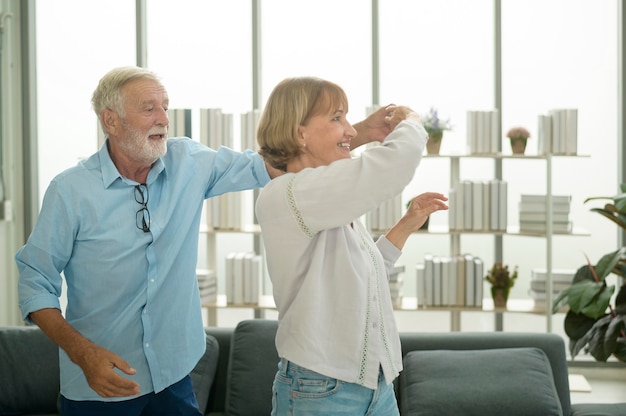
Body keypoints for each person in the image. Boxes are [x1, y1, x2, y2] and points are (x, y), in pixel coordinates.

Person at [15, 67, 413, 415]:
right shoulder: (70, 191)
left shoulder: (189, 162)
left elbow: (273, 161)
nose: (163, 119)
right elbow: (35, 282)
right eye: (148, 108)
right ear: (111, 120)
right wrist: (83, 354)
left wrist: (356, 134)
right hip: (99, 383)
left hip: (173, 376)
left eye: (165, 107)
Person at [255, 77, 448, 415]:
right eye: (337, 118)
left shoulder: (325, 200)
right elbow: (390, 167)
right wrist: (413, 123)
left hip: (376, 386)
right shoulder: (291, 195)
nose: (348, 130)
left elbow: (365, 274)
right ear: (300, 133)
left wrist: (407, 223)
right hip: (321, 390)